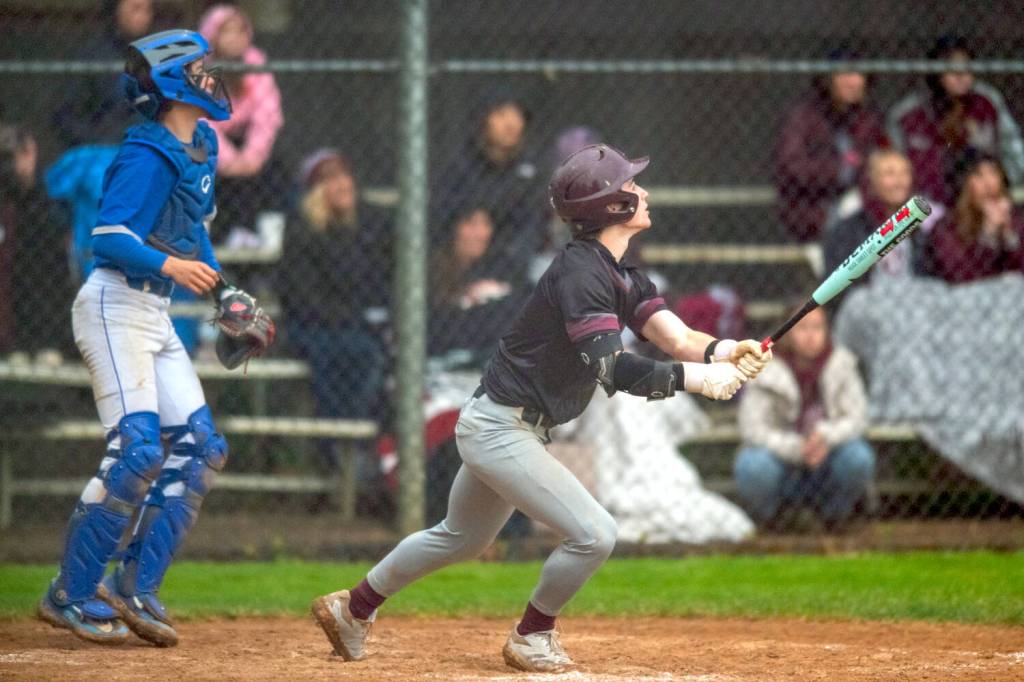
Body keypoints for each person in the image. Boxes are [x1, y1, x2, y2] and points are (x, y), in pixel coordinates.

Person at [311, 144, 772, 672]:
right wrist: (700, 381)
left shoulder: (619, 272)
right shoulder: (582, 274)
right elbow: (612, 369)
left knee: (460, 537)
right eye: (631, 186)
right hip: (501, 429)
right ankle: (532, 636)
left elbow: (682, 339)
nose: (643, 192)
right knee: (595, 534)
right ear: (612, 206)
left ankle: (353, 608)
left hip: (505, 425)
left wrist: (727, 352)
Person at [37, 29, 273, 647]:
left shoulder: (202, 143)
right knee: (137, 453)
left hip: (155, 311)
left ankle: (135, 585)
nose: (210, 78)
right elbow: (109, 238)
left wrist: (223, 293)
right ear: (171, 82)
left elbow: (192, 234)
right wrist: (172, 266)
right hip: (114, 305)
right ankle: (71, 592)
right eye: (198, 71)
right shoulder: (145, 152)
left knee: (200, 448)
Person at [278, 149, 391, 459]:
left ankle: (367, 446)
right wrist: (358, 318)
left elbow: (384, 282)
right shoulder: (303, 232)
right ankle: (345, 443)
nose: (343, 185)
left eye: (345, 176)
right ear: (314, 192)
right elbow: (304, 301)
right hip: (315, 326)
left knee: (377, 349)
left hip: (362, 323)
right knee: (358, 352)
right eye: (330, 180)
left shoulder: (369, 225)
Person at [735, 306, 875, 532]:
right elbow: (752, 427)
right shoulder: (764, 366)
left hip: (827, 458)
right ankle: (774, 521)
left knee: (858, 457)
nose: (811, 335)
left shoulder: (842, 362)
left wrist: (825, 437)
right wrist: (796, 447)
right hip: (781, 461)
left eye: (817, 327)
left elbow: (858, 417)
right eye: (802, 328)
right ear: (786, 332)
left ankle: (835, 518)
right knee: (752, 464)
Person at [887, 35, 1024, 207]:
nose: (960, 75)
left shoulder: (987, 101)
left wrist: (1008, 186)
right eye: (951, 68)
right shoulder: (909, 112)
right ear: (936, 73)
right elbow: (891, 163)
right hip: (925, 203)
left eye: (965, 67)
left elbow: (1013, 148)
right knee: (904, 216)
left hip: (981, 202)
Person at [774, 48, 887, 242]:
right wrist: (842, 169)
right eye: (845, 74)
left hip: (862, 203)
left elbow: (883, 159)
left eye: (860, 74)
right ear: (828, 80)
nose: (854, 82)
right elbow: (792, 166)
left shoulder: (870, 117)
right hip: (813, 206)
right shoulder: (804, 115)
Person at [435, 88, 545, 283]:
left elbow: (530, 226)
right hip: (464, 263)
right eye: (501, 115)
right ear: (483, 121)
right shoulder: (461, 165)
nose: (511, 124)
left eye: (518, 116)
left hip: (515, 261)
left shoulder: (530, 168)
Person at [198, 4, 285, 237]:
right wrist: (228, 160)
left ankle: (258, 234)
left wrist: (252, 156)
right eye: (227, 31)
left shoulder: (255, 62)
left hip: (245, 144)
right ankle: (211, 234)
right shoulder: (198, 68)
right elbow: (201, 121)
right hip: (207, 145)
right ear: (212, 35)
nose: (235, 38)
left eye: (240, 31)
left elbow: (267, 114)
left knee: (276, 169)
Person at [1, 123, 75, 363]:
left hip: (48, 270)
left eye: (10, 157)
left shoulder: (51, 190)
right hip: (17, 262)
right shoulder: (8, 197)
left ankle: (48, 342)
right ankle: (17, 342)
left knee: (45, 269)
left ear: (30, 151)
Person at [824, 149, 941, 283]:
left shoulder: (918, 228)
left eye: (905, 173)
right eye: (889, 173)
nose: (899, 181)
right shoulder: (851, 229)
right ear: (873, 181)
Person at [53, 0, 155, 148]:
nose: (143, 16)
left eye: (148, 10)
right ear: (116, 10)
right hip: (105, 147)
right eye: (136, 8)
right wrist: (95, 143)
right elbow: (65, 115)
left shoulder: (155, 54)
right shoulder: (94, 55)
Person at [923, 151, 1024, 284]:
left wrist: (1008, 235)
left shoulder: (1016, 221)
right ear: (964, 183)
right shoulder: (947, 226)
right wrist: (988, 234)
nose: (989, 183)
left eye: (993, 173)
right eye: (978, 175)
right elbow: (958, 275)